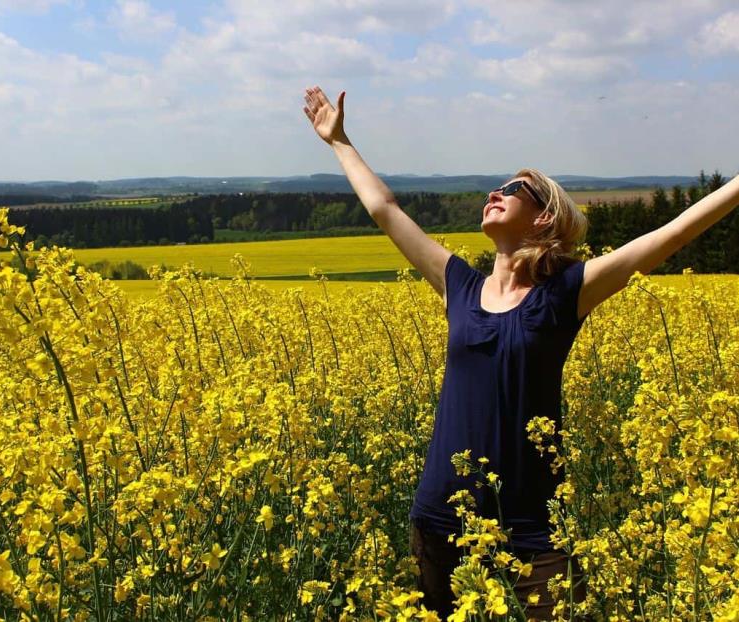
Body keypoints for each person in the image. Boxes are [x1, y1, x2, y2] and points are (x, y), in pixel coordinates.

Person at [302, 85, 739, 620]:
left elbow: (670, 233)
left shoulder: (566, 293)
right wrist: (339, 140)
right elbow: (385, 208)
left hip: (533, 530)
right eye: (497, 185)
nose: (496, 191)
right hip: (441, 518)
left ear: (544, 218)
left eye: (515, 188)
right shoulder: (458, 285)